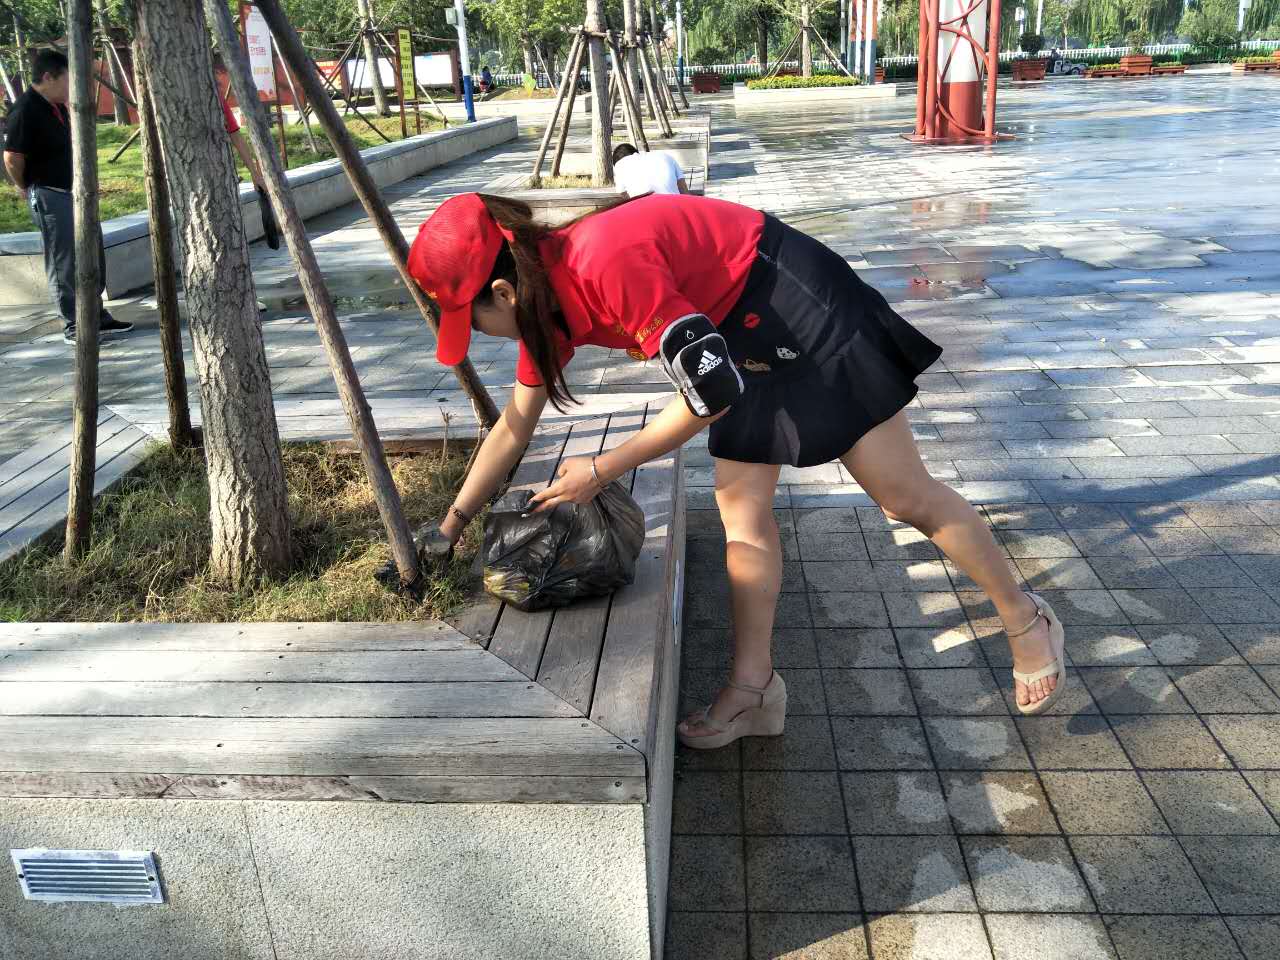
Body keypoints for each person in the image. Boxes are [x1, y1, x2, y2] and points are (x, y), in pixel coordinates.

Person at [406, 192, 1068, 750]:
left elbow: (711, 394)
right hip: (731, 335)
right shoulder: (543, 302)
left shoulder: (603, 263)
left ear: (503, 291)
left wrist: (601, 469)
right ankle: (754, 691)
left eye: (475, 322)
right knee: (741, 514)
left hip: (795, 305)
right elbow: (514, 425)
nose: (483, 336)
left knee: (903, 496)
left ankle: (1025, 619)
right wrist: (449, 526)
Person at [3, 48, 133, 345]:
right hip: (50, 194)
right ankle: (74, 324)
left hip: (76, 193)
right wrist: (26, 186)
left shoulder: (56, 107)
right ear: (48, 77)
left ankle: (96, 316)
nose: (71, 87)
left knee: (92, 252)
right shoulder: (25, 110)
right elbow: (12, 157)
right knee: (64, 262)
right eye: (67, 80)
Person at [611, 143, 689, 197]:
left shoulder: (620, 164)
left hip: (644, 211)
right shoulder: (666, 156)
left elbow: (622, 194)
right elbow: (683, 189)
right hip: (675, 206)